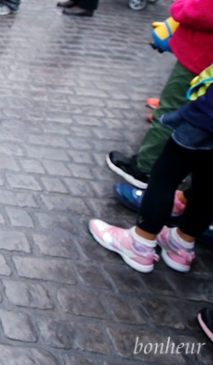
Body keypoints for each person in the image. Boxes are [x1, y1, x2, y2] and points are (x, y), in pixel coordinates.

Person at [89, 86, 213, 273]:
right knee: (208, 181)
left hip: (208, 116)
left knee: (166, 174)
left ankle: (140, 244)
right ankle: (181, 244)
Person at [107, 0, 213, 188]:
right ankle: (174, 168)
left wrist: (182, 4)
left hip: (201, 60)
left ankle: (145, 169)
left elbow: (202, 12)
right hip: (206, 63)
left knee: (170, 112)